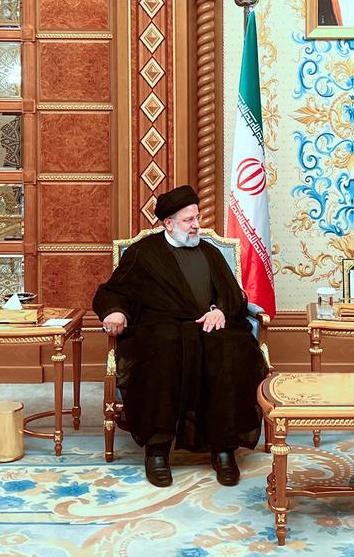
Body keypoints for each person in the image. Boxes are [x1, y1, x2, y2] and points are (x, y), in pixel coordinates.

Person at [93, 185, 268, 487]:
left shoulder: (210, 253)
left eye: (197, 218)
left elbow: (233, 294)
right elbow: (114, 291)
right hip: (161, 327)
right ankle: (157, 450)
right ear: (169, 223)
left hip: (209, 326)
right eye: (188, 220)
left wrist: (220, 311)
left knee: (229, 351)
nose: (196, 225)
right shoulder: (144, 253)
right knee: (162, 351)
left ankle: (223, 449)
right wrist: (115, 312)